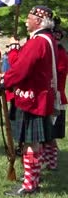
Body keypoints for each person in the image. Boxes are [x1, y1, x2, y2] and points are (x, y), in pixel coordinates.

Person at [0, 6, 56, 196]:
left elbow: (22, 68)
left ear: (38, 21)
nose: (25, 21)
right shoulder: (46, 40)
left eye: (28, 18)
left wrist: (4, 79)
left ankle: (30, 185)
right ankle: (33, 180)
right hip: (38, 97)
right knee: (34, 143)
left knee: (31, 143)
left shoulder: (38, 42)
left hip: (31, 99)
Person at [41, 17, 67, 171]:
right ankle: (49, 162)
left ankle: (51, 162)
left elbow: (56, 73)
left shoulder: (61, 53)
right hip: (48, 96)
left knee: (50, 135)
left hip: (56, 97)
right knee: (47, 135)